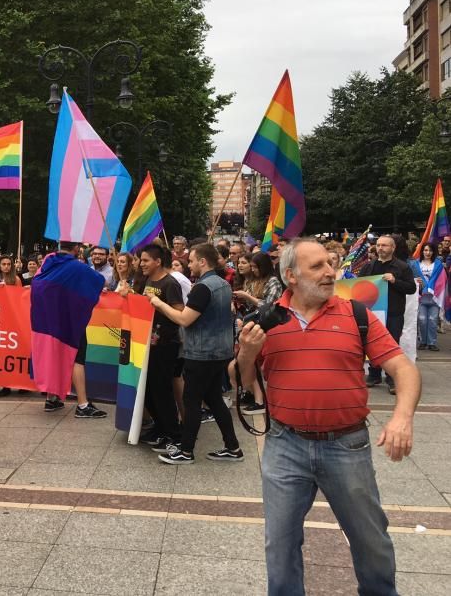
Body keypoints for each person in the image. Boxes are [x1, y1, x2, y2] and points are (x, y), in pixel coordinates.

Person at [236, 239, 421, 596]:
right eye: (317, 266)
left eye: (330, 264)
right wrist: (247, 352)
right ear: (290, 276)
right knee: (281, 542)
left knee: (371, 540)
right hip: (285, 444)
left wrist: (402, 417)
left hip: (347, 446)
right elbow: (245, 381)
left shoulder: (356, 314)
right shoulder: (267, 320)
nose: (330, 273)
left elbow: (403, 368)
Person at [149, 243, 243, 465]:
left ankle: (186, 451)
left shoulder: (203, 287)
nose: (188, 265)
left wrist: (158, 303)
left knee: (191, 401)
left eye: (191, 260)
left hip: (201, 353)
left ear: (203, 261)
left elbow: (184, 319)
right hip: (220, 351)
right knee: (214, 400)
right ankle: (233, 447)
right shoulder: (222, 284)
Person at [34, 242, 108, 419]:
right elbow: (98, 281)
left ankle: (52, 398)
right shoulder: (76, 266)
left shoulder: (47, 262)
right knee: (78, 357)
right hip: (70, 320)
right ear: (76, 249)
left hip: (47, 320)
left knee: (55, 354)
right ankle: (83, 404)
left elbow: (38, 283)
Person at [134, 244, 184, 453]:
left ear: (157, 261)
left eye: (145, 260)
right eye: (140, 260)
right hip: (145, 344)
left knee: (162, 391)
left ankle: (174, 435)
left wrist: (158, 306)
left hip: (165, 346)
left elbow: (179, 312)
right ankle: (160, 427)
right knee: (147, 391)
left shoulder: (170, 284)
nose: (141, 264)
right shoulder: (145, 280)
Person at [359, 235, 416, 394]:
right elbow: (358, 287)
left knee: (391, 344)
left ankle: (391, 377)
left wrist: (394, 281)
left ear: (393, 248)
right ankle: (374, 374)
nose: (380, 248)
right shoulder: (368, 267)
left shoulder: (402, 267)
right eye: (378, 245)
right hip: (372, 313)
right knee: (372, 343)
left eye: (384, 245)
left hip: (394, 313)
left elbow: (411, 288)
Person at [410, 242, 441, 352]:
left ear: (434, 252)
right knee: (422, 319)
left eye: (430, 250)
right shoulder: (414, 264)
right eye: (426, 250)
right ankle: (423, 341)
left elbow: (442, 279)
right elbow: (409, 278)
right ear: (422, 251)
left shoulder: (438, 264)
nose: (428, 253)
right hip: (421, 297)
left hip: (434, 297)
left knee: (433, 320)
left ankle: (432, 342)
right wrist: (414, 281)